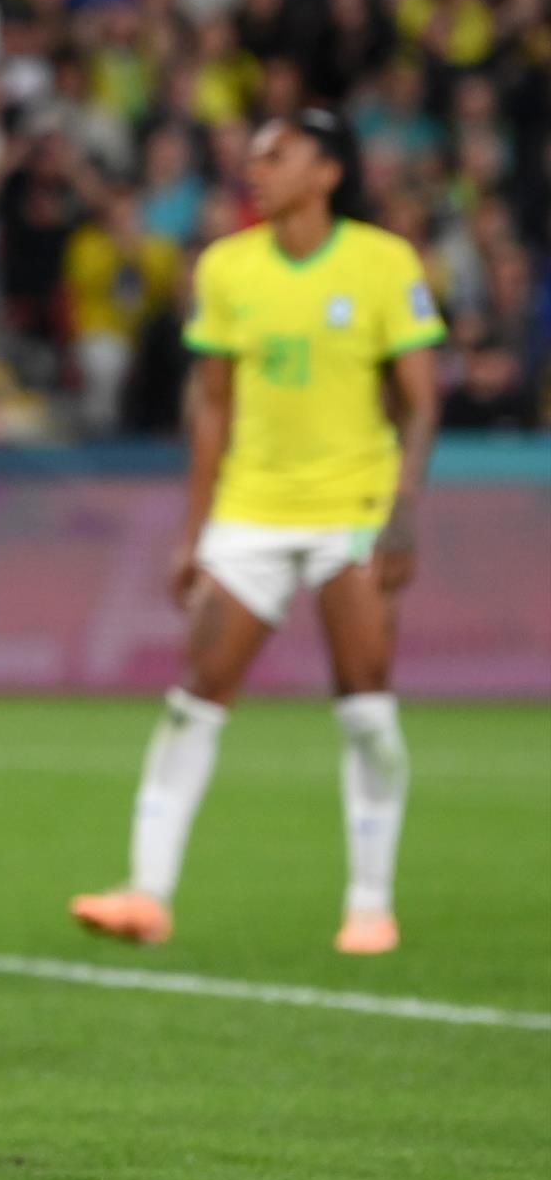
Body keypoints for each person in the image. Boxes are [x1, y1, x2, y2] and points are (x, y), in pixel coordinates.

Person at [71, 111, 441, 956]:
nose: (257, 166)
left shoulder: (384, 264)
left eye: (280, 155)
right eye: (257, 153)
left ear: (328, 174)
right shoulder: (226, 268)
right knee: (193, 699)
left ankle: (369, 902)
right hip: (251, 512)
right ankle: (146, 893)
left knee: (366, 708)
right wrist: (193, 533)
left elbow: (420, 402)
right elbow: (212, 406)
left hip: (352, 509)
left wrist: (404, 511)